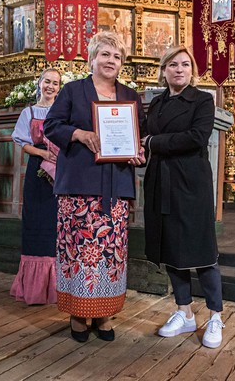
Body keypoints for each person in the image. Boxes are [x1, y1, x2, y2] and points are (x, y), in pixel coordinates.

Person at [43, 31, 145, 343]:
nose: (111, 61)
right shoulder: (73, 91)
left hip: (116, 185)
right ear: (92, 58)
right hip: (78, 185)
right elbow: (51, 125)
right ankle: (77, 314)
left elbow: (139, 136)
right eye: (105, 54)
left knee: (110, 253)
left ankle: (104, 314)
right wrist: (79, 134)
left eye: (117, 56)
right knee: (78, 251)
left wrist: (138, 152)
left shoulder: (130, 96)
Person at [141, 46, 224, 349]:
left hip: (191, 183)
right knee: (172, 248)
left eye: (185, 64)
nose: (179, 69)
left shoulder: (202, 100)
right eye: (173, 64)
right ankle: (184, 312)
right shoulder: (157, 103)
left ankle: (215, 316)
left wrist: (152, 142)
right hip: (161, 181)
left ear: (192, 71)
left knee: (202, 250)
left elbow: (196, 137)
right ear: (163, 70)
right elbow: (140, 135)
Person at [10, 69, 61, 305]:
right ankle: (35, 286)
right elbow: (23, 143)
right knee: (36, 220)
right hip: (37, 170)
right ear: (39, 83)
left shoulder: (63, 111)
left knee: (57, 221)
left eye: (55, 83)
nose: (50, 86)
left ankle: (58, 285)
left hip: (60, 170)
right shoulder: (28, 112)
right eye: (47, 81)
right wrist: (43, 153)